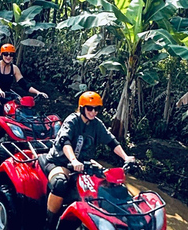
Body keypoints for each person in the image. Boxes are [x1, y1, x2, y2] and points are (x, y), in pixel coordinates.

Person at [42, 91, 134, 230]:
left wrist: (126, 157)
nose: (93, 112)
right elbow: (65, 141)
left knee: (109, 183)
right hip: (60, 162)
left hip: (84, 163)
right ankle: (50, 223)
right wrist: (73, 160)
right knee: (60, 183)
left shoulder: (96, 124)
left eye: (96, 108)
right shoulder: (72, 120)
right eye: (90, 108)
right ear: (82, 108)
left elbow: (111, 142)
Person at [0, 43, 47, 149]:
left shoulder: (14, 68)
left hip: (6, 96)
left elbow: (24, 84)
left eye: (11, 55)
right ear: (2, 54)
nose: (8, 57)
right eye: (6, 54)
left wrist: (38, 92)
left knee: (19, 112)